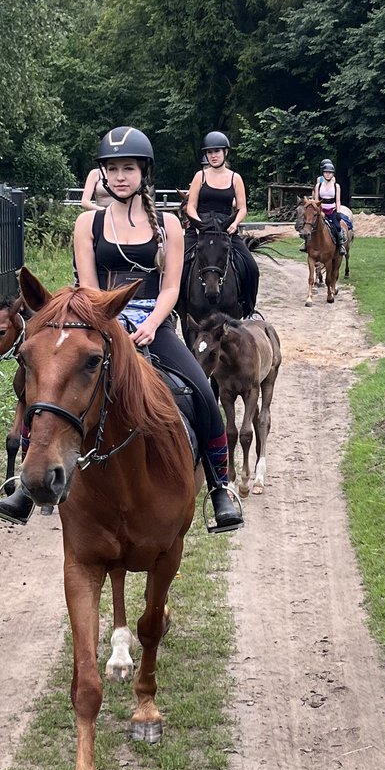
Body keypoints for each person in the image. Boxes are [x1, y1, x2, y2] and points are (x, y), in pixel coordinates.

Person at [74, 127, 243, 531]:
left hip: (155, 324)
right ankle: (24, 480)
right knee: (45, 378)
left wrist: (151, 324)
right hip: (102, 322)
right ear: (102, 173)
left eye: (128, 168)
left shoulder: (169, 224)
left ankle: (220, 487)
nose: (119, 176)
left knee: (203, 393)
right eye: (112, 169)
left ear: (143, 172)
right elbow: (88, 286)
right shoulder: (88, 224)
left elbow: (171, 287)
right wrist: (110, 323)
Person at [184, 131, 246, 233]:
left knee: (243, 250)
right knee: (183, 248)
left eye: (217, 151)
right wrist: (200, 225)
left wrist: (235, 224)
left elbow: (242, 208)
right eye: (209, 152)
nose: (213, 156)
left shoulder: (236, 178)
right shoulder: (200, 176)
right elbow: (191, 206)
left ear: (225, 152)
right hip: (201, 226)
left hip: (226, 226)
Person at [315, 158, 344, 252]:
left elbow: (338, 200)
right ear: (323, 173)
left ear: (333, 174)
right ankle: (306, 244)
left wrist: (338, 212)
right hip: (321, 210)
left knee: (337, 226)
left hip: (332, 210)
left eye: (330, 173)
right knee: (310, 225)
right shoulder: (318, 185)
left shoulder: (336, 186)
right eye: (326, 172)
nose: (328, 174)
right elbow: (316, 200)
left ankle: (340, 245)